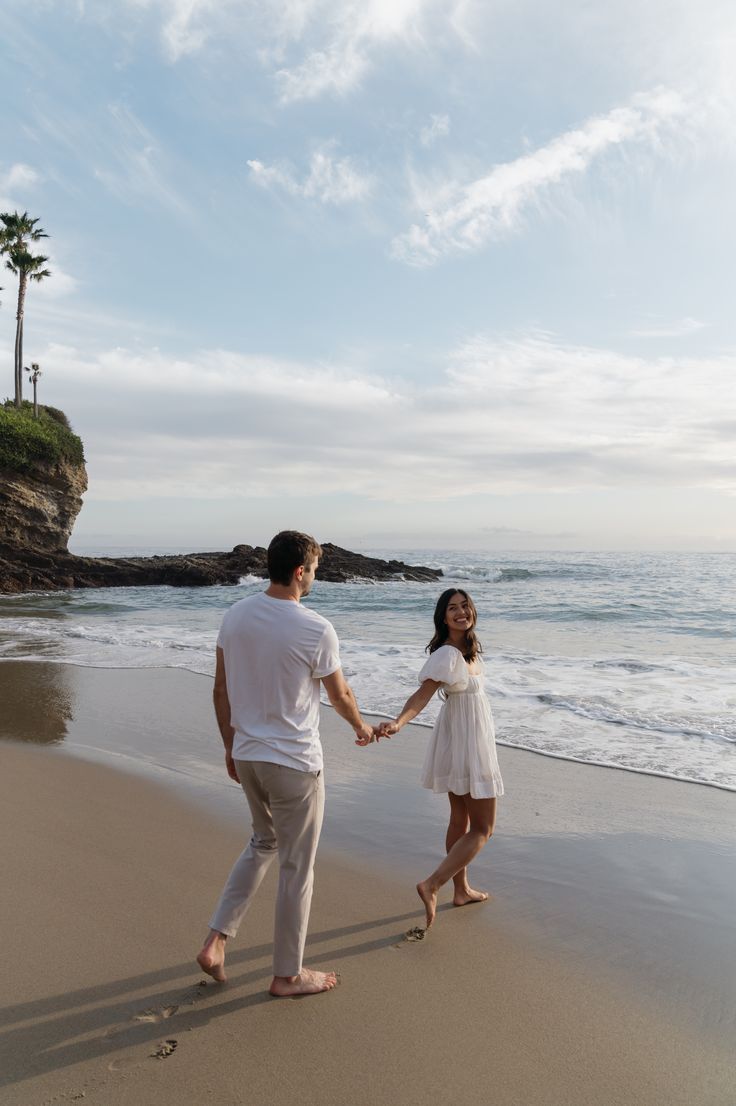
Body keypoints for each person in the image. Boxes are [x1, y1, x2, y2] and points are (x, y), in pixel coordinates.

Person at [196, 530, 375, 997]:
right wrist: (363, 728)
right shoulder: (315, 627)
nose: (315, 578)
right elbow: (339, 695)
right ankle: (288, 974)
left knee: (263, 842)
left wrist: (230, 746)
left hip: (248, 755)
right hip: (294, 763)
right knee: (297, 866)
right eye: (314, 570)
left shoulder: (234, 616)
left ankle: (216, 940)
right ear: (300, 571)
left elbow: (220, 689)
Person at [372, 588, 504, 929]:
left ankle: (460, 891)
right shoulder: (447, 653)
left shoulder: (469, 650)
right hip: (467, 743)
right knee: (483, 828)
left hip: (461, 738)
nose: (461, 612)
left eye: (465, 606)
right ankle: (433, 883)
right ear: (443, 618)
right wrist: (399, 722)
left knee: (460, 820)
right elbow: (423, 693)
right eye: (452, 609)